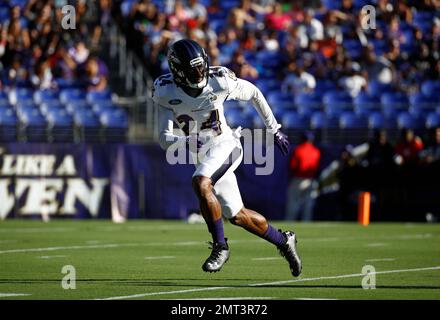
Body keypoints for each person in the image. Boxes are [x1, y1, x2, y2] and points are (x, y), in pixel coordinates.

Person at [152, 39, 301, 276]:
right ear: (178, 71)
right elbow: (163, 137)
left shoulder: (219, 80)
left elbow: (254, 92)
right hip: (202, 154)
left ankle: (221, 247)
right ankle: (283, 240)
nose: (200, 73)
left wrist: (274, 129)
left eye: (201, 66)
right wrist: (184, 141)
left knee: (201, 181)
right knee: (238, 216)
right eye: (194, 69)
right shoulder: (164, 90)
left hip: (225, 144)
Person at [285, 132, 321, 221]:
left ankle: (290, 223)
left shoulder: (298, 150)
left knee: (293, 204)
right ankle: (307, 223)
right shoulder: (316, 151)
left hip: (298, 179)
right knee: (308, 205)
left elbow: (293, 166)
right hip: (311, 180)